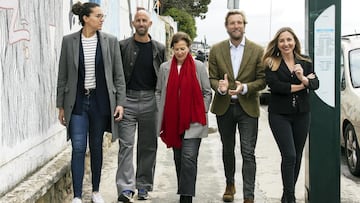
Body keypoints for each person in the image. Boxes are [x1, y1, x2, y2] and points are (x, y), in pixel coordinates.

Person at [56, 2, 126, 203]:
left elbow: (118, 75)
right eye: (98, 16)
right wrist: (60, 105)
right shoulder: (69, 41)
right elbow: (62, 75)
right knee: (78, 147)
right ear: (86, 18)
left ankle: (95, 191)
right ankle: (77, 196)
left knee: (96, 146)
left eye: (103, 16)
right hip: (77, 102)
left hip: (100, 102)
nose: (102, 19)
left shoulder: (110, 41)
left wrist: (120, 102)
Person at [208, 10, 266, 203]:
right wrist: (221, 88)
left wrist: (245, 88)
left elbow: (262, 80)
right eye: (232, 23)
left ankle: (248, 195)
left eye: (239, 22)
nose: (236, 26)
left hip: (247, 107)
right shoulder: (216, 49)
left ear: (244, 25)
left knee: (248, 151)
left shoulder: (257, 50)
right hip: (224, 106)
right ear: (226, 26)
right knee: (228, 148)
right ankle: (229, 183)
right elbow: (212, 78)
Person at [262, 27, 319, 203]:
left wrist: (303, 78)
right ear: (277, 44)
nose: (286, 43)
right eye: (282, 41)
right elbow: (277, 87)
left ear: (295, 41)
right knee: (290, 155)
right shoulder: (272, 63)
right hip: (279, 115)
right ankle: (291, 197)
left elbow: (315, 84)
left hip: (302, 114)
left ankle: (286, 196)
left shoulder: (306, 61)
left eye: (289, 40)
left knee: (298, 155)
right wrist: (304, 84)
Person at [155, 31, 212, 203]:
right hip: (172, 120)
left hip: (193, 120)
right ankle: (184, 190)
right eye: (177, 49)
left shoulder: (198, 66)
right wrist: (162, 110)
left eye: (183, 48)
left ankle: (186, 198)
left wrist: (201, 110)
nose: (180, 52)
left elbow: (206, 92)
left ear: (189, 48)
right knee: (178, 159)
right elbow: (158, 91)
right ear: (172, 49)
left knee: (189, 158)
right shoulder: (165, 68)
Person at [116, 9, 165, 202]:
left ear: (150, 24)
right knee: (126, 145)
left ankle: (143, 185)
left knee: (148, 146)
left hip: (150, 100)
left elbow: (164, 77)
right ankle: (126, 188)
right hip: (127, 100)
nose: (141, 23)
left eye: (145, 20)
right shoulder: (123, 46)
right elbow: (118, 76)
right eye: (138, 20)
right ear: (133, 23)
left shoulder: (159, 49)